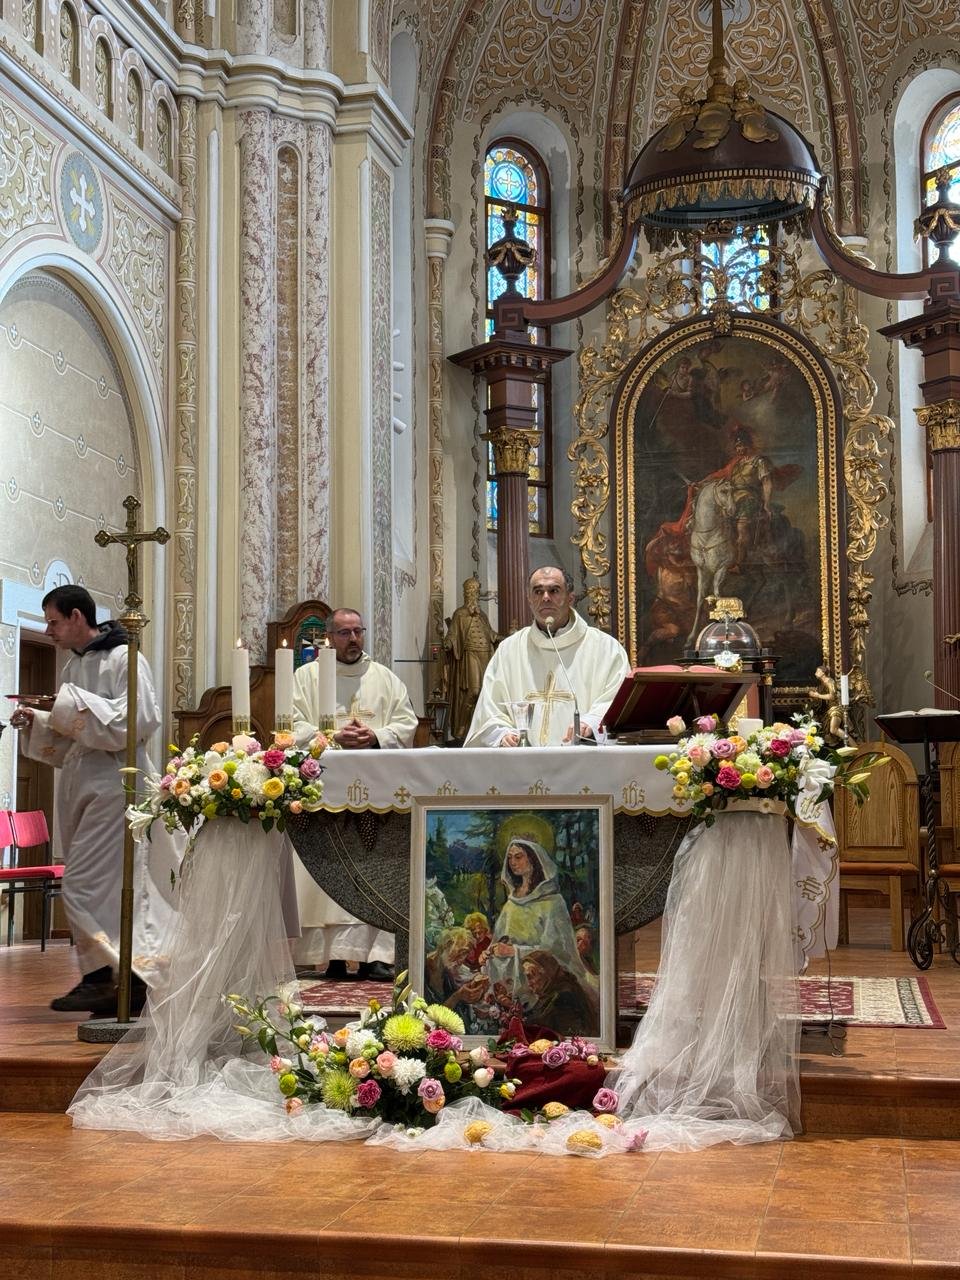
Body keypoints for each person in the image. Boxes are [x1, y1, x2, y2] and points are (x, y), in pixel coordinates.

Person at [10, 584, 177, 1016]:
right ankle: (122, 978)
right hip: (84, 784)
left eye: (53, 621)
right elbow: (75, 730)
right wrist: (40, 719)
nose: (48, 630)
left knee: (83, 884)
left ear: (77, 617)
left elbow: (139, 719)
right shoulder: (73, 665)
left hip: (117, 784)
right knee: (100, 887)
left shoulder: (125, 657)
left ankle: (107, 976)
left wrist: (67, 706)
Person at [290, 608, 417, 982]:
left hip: (376, 791)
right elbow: (292, 725)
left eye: (358, 631)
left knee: (374, 864)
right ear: (329, 638)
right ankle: (328, 955)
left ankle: (376, 955)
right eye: (344, 633)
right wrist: (332, 737)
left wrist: (376, 736)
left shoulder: (385, 678)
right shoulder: (307, 677)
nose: (353, 639)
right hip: (324, 788)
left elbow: (406, 723)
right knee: (328, 862)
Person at [464, 565, 629, 747]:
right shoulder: (509, 650)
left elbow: (616, 702)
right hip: (523, 761)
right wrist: (503, 733)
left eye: (554, 591)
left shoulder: (606, 648)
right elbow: (490, 710)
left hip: (582, 758)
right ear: (529, 599)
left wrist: (589, 722)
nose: (545, 597)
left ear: (570, 598)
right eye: (538, 591)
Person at [480, 837, 597, 1021]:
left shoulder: (553, 902)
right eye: (510, 858)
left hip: (541, 983)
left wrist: (514, 951)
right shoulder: (511, 903)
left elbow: (555, 950)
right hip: (509, 981)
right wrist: (489, 953)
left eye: (518, 857)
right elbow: (499, 940)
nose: (512, 862)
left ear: (533, 860)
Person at [443, 578, 497, 741]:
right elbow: (453, 634)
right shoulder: (460, 614)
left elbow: (491, 635)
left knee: (485, 692)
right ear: (467, 593)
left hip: (485, 653)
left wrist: (509, 637)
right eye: (473, 592)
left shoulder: (483, 615)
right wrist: (447, 643)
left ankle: (479, 728)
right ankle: (461, 727)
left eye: (477, 592)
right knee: (473, 691)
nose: (476, 595)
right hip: (470, 654)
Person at [521, 949, 597, 1038]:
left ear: (547, 973)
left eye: (531, 976)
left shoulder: (564, 997)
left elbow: (568, 1036)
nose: (529, 983)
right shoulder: (550, 993)